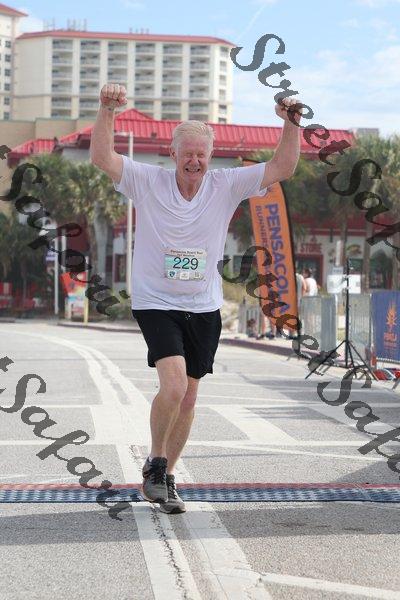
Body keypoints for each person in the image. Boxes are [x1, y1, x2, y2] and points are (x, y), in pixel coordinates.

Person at [90, 83, 301, 514]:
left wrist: (291, 122)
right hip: (155, 301)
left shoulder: (225, 185)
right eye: (187, 153)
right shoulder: (148, 181)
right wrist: (107, 111)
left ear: (210, 156)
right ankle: (155, 462)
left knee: (188, 397)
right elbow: (102, 158)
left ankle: (166, 478)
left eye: (201, 155)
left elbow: (283, 166)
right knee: (172, 384)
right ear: (172, 154)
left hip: (203, 305)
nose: (194, 161)